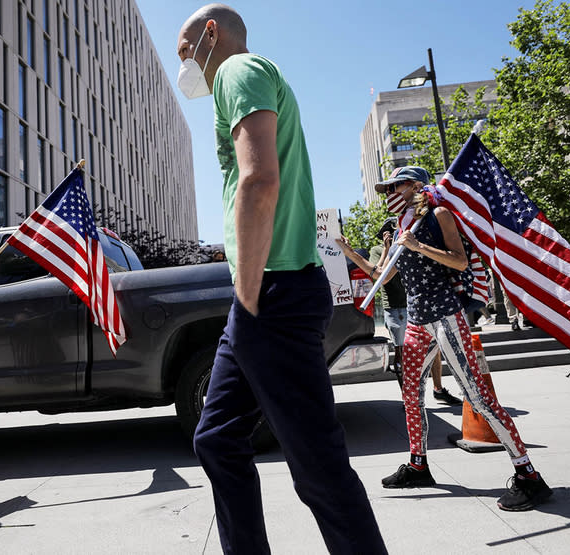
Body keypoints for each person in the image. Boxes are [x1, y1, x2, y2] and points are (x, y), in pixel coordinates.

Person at [176, 5, 386, 553]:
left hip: (273, 293)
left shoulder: (236, 71)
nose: (185, 66)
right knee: (218, 439)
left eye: (184, 51)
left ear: (211, 34)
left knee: (317, 467)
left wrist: (246, 296)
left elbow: (260, 179)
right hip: (265, 295)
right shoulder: (250, 76)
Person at [337, 166, 552, 511]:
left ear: (416, 186)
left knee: (478, 398)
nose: (390, 192)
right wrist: (350, 254)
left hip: (446, 316)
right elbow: (383, 275)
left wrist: (418, 245)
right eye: (387, 187)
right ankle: (418, 465)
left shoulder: (438, 215)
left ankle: (529, 475)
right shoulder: (401, 226)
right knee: (410, 394)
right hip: (416, 319)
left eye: (397, 185)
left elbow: (460, 262)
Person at [371, 218, 462, 405]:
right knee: (402, 353)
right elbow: (377, 274)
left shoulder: (407, 244)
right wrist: (388, 249)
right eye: (387, 232)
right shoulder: (377, 250)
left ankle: (438, 389)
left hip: (413, 304)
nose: (391, 234)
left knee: (434, 348)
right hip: (394, 307)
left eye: (394, 231)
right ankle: (408, 397)